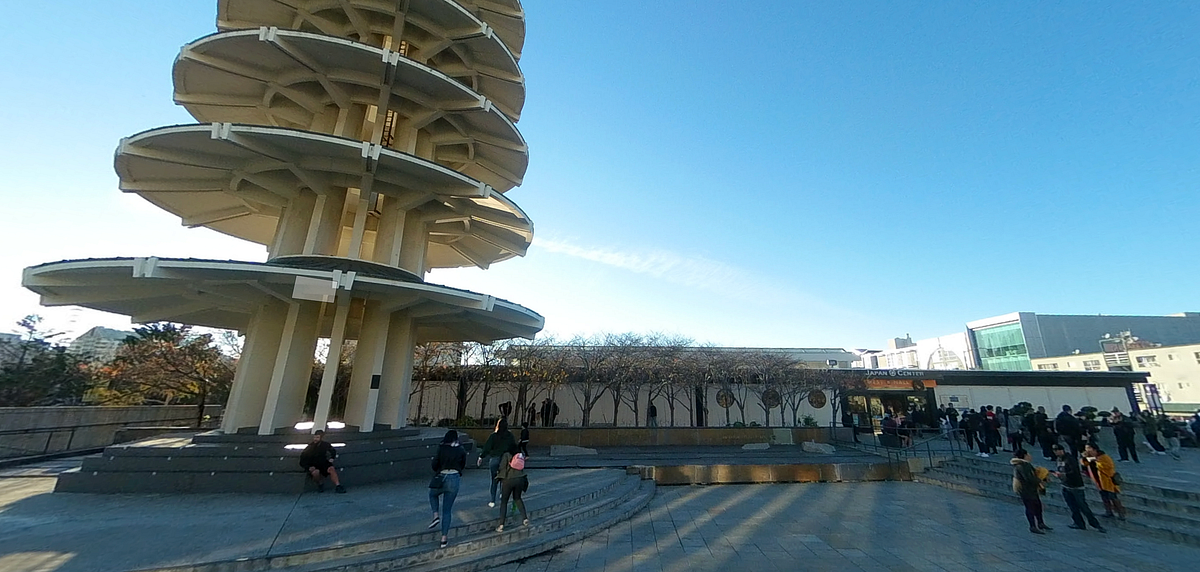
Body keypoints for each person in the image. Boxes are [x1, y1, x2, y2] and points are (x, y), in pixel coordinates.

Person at [1051, 443, 1106, 533]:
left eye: (1057, 450)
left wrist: (1063, 474)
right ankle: (1079, 523)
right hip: (1065, 485)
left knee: (1083, 506)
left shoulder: (1070, 459)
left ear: (1062, 450)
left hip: (1076, 486)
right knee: (1072, 507)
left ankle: (1095, 524)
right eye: (1054, 451)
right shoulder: (1059, 459)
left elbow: (1074, 471)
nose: (1056, 452)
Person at [429, 430, 466, 548]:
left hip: (442, 476)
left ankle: (435, 515)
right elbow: (463, 464)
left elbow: (435, 464)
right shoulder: (461, 449)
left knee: (432, 494)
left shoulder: (441, 448)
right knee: (447, 510)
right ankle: (444, 538)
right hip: (455, 478)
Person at [478, 418, 517, 508]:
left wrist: (481, 457)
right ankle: (502, 494)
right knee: (504, 479)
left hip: (495, 459)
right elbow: (514, 447)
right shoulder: (510, 436)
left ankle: (492, 500)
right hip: (506, 460)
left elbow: (487, 448)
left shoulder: (494, 436)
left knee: (494, 480)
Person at [1010, 448, 1051, 534]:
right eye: (1028, 454)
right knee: (1030, 508)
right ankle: (1033, 526)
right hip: (1026, 490)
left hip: (1030, 490)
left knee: (1037, 506)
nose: (1030, 456)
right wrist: (1040, 480)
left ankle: (1040, 523)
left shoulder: (1024, 465)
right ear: (1024, 456)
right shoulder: (1022, 466)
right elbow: (1029, 478)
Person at [1082, 443, 1125, 521]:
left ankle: (1121, 513)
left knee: (1113, 497)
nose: (1087, 450)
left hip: (1108, 481)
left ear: (1094, 449)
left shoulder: (1104, 457)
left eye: (1089, 448)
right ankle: (1108, 511)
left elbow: (1109, 466)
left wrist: (1096, 462)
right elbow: (1084, 464)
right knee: (1104, 497)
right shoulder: (1092, 458)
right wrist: (1084, 458)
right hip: (1099, 481)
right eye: (1086, 448)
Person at [494, 448, 529, 532]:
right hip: (520, 479)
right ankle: (525, 518)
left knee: (504, 502)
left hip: (508, 480)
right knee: (517, 498)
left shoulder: (506, 454)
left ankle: (501, 525)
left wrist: (498, 476)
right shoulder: (519, 454)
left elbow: (502, 467)